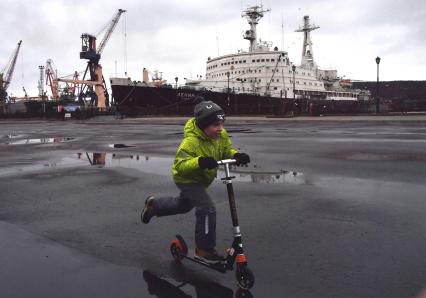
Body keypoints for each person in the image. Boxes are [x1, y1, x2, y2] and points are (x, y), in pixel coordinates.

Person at [141, 96, 250, 263]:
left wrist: (236, 155)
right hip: (187, 179)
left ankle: (154, 206)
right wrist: (199, 161)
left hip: (202, 179)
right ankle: (204, 250)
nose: (220, 129)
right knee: (206, 207)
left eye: (222, 124)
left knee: (183, 205)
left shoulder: (220, 135)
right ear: (203, 126)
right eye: (215, 125)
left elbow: (227, 149)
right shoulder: (190, 142)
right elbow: (180, 164)